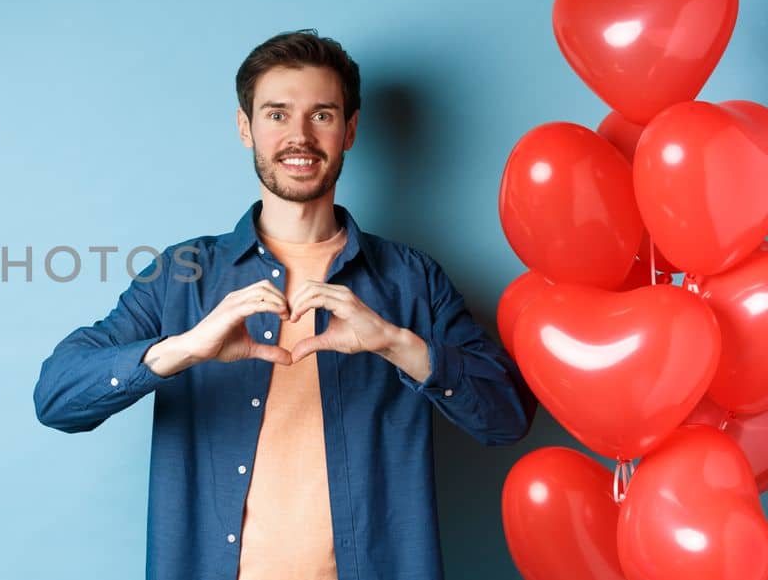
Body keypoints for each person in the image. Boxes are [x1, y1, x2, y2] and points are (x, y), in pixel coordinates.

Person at [32, 29, 537, 580]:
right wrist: (181, 349)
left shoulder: (411, 280)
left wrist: (397, 344)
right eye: (277, 114)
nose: (299, 136)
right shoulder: (184, 276)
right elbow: (57, 397)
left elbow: (507, 419)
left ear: (350, 130)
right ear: (245, 128)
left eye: (321, 115)